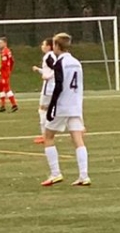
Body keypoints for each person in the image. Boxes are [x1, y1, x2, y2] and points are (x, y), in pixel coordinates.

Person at [39, 32, 91, 186]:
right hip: (75, 105)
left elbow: (59, 86)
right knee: (78, 139)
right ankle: (84, 175)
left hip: (62, 106)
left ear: (56, 46)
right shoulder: (77, 62)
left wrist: (52, 106)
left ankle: (55, 173)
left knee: (48, 137)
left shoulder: (60, 63)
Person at [31, 38, 58, 145]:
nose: (42, 46)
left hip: (49, 88)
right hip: (52, 87)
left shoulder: (48, 56)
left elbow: (56, 69)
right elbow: (50, 71)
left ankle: (45, 135)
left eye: (43, 44)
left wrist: (48, 76)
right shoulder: (51, 56)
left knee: (42, 110)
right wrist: (39, 70)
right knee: (46, 110)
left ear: (49, 46)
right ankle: (46, 134)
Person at [0, 37, 18, 113]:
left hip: (4, 73)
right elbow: (12, 61)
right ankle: (2, 106)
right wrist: (10, 69)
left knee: (6, 88)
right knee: (0, 88)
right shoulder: (7, 51)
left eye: (0, 43)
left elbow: (4, 64)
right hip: (5, 72)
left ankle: (14, 105)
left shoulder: (4, 52)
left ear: (5, 43)